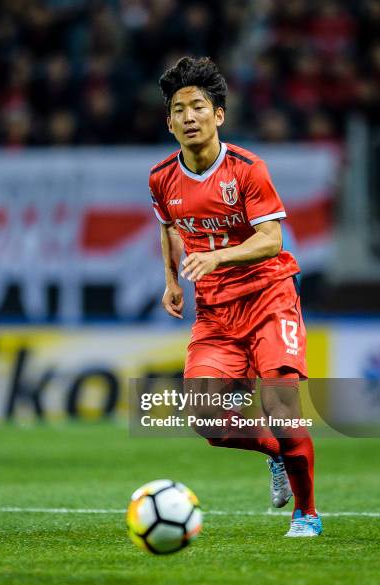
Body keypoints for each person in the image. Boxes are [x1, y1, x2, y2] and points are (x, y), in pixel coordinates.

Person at [149, 56, 322, 537]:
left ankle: (306, 514)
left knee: (283, 407)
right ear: (169, 123)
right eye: (179, 109)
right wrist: (170, 280)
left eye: (198, 106)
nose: (189, 116)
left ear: (218, 115)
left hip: (269, 298)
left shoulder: (247, 169)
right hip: (216, 312)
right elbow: (168, 227)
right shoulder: (162, 177)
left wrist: (217, 259)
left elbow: (272, 240)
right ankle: (275, 453)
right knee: (205, 418)